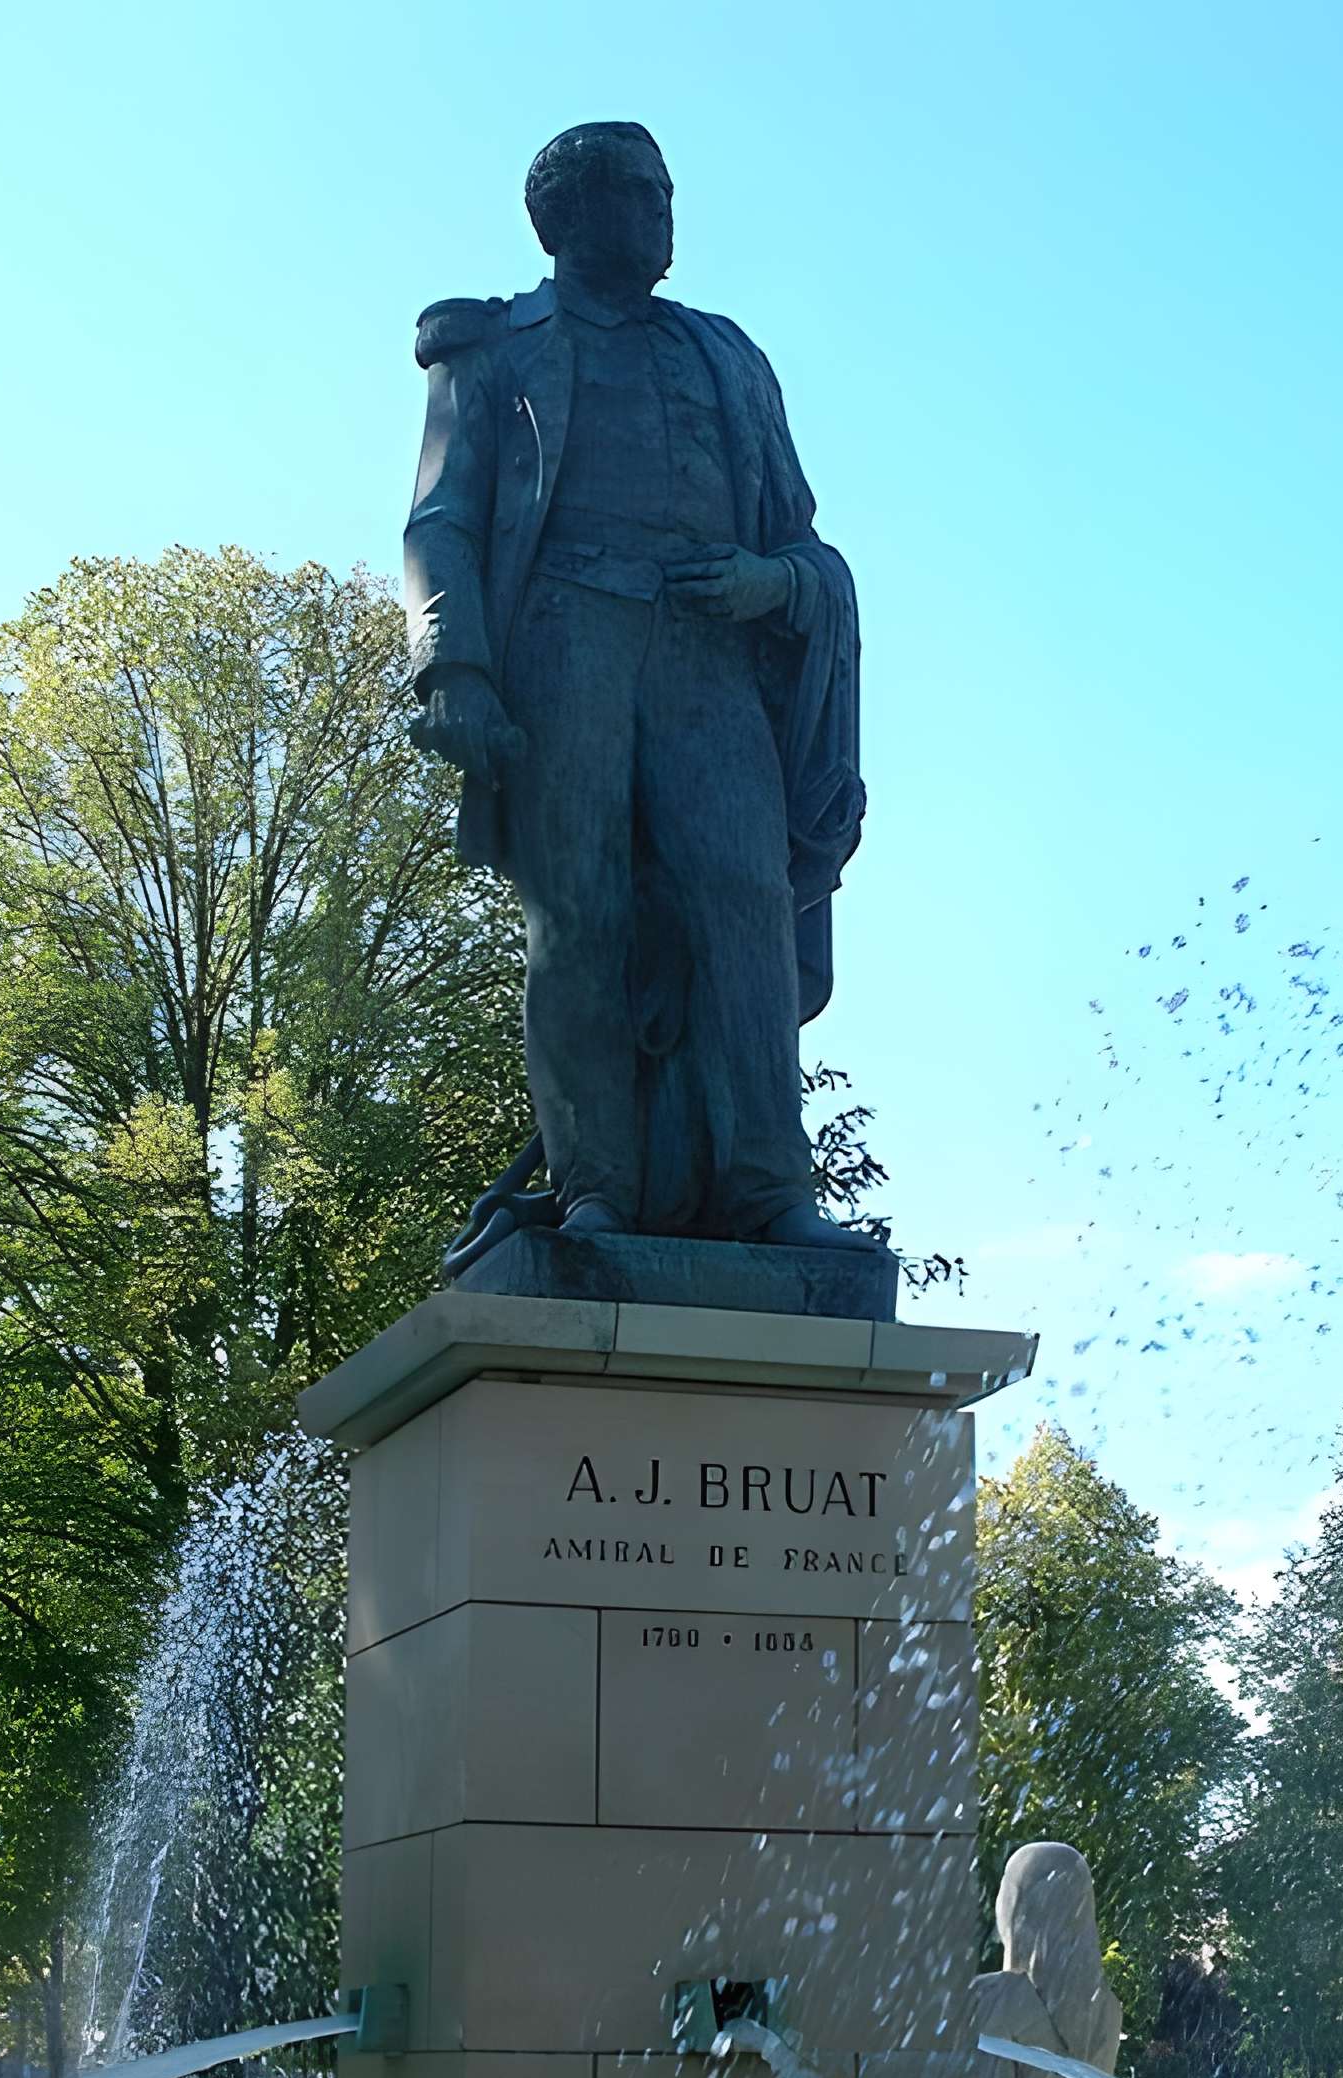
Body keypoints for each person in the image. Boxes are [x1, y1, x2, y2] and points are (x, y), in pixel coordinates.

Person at [408, 122, 877, 1254]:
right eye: (642, 192)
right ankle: (594, 1189)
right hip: (565, 646)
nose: (666, 212)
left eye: (669, 191)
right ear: (567, 215)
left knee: (747, 903)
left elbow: (801, 538)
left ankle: (772, 1189)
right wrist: (456, 667)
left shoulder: (727, 356)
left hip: (710, 657)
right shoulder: (494, 349)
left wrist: (774, 582)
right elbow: (442, 520)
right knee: (579, 918)